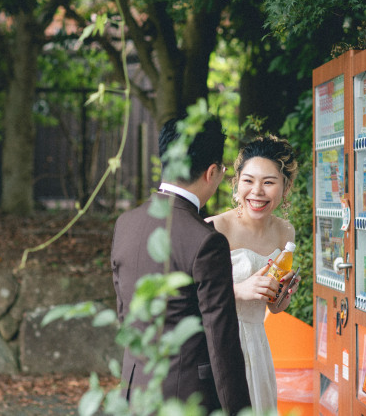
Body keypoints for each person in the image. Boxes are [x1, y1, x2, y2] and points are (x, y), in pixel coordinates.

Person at [111, 114, 252, 415]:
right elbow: (222, 342)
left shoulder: (125, 224)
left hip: (134, 391)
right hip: (187, 397)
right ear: (212, 172)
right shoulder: (205, 241)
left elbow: (125, 314)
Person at [206, 134, 300, 414]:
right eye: (248, 180)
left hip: (257, 345)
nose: (257, 191)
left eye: (269, 182)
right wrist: (237, 290)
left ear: (285, 187)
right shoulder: (214, 228)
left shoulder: (285, 231)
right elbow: (189, 294)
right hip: (219, 342)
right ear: (236, 184)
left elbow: (275, 306)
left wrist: (282, 296)